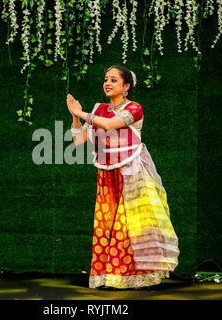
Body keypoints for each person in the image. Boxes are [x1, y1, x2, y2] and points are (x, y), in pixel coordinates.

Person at [66, 65, 180, 290]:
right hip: (106, 175)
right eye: (106, 79)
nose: (107, 83)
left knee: (129, 226)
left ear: (126, 86)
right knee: (104, 226)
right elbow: (79, 141)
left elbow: (109, 124)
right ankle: (108, 277)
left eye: (113, 80)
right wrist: (75, 118)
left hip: (131, 173)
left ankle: (131, 277)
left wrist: (81, 113)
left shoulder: (135, 108)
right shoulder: (98, 109)